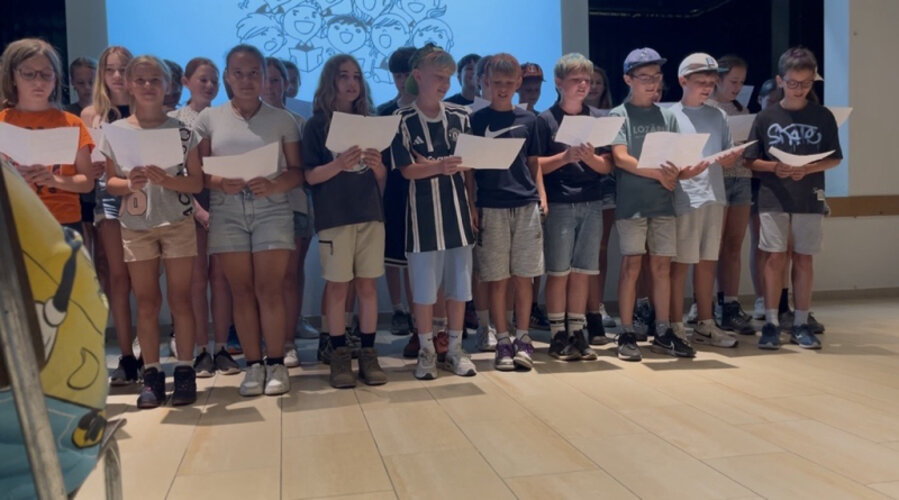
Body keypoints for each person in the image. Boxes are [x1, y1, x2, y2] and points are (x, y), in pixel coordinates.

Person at [194, 44, 302, 396]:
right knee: (240, 290)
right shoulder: (209, 118)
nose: (246, 80)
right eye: (238, 73)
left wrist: (273, 185)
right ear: (227, 76)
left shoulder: (282, 120)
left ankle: (276, 363)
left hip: (272, 208)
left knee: (270, 289)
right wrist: (219, 182)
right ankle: (253, 366)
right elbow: (199, 174)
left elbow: (297, 172)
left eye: (254, 73)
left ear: (264, 76)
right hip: (227, 210)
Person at [100, 55, 203, 408]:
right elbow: (110, 183)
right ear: (129, 85)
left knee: (180, 298)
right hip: (136, 225)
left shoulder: (183, 130)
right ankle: (152, 374)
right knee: (146, 301)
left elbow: (196, 182)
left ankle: (185, 370)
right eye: (141, 80)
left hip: (177, 222)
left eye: (155, 80)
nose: (148, 86)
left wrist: (168, 180)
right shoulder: (117, 132)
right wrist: (129, 182)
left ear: (167, 85)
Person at [609, 47, 708, 361]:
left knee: (662, 266)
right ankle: (626, 331)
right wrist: (659, 174)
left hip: (664, 203)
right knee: (631, 265)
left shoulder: (667, 116)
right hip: (632, 204)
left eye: (656, 77)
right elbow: (621, 158)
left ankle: (663, 330)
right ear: (628, 79)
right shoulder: (619, 114)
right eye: (645, 77)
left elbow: (676, 160)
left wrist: (689, 169)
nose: (653, 83)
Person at [744, 47, 842, 350]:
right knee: (774, 256)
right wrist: (775, 167)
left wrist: (808, 168)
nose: (799, 89)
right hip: (773, 196)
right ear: (780, 81)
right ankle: (772, 321)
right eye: (793, 83)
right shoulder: (766, 116)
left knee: (803, 257)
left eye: (806, 83)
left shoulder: (822, 115)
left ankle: (800, 322)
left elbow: (835, 158)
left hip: (808, 196)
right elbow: (750, 160)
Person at [390, 44, 477, 380]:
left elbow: (469, 165)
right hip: (422, 218)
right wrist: (439, 166)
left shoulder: (461, 116)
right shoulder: (401, 120)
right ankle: (426, 351)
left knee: (459, 288)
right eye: (438, 76)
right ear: (418, 75)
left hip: (457, 216)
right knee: (425, 292)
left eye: (448, 77)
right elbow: (407, 170)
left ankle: (454, 349)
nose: (444, 83)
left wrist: (436, 167)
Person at [304, 54, 389, 388]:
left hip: (370, 214)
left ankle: (368, 352)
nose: (352, 82)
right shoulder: (317, 125)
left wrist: (378, 167)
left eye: (356, 76)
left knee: (367, 286)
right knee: (339, 286)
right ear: (331, 81)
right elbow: (310, 176)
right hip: (335, 217)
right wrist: (338, 164)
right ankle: (339, 353)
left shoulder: (371, 123)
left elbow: (381, 182)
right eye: (343, 76)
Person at [468, 53, 544, 371]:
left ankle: (523, 338)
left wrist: (541, 196)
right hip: (491, 206)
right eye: (496, 82)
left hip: (525, 205)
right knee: (497, 279)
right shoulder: (475, 121)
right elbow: (469, 169)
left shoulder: (530, 120)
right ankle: (502, 340)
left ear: (517, 83)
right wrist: (472, 204)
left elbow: (534, 163)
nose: (502, 88)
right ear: (485, 82)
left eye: (508, 83)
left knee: (524, 277)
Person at [167, 57, 241, 377]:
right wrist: (198, 210)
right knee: (196, 281)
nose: (209, 86)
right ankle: (200, 351)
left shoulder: (224, 117)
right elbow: (174, 173)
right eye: (203, 80)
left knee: (221, 280)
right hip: (187, 208)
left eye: (214, 80)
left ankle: (221, 348)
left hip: (222, 205)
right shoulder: (173, 120)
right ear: (186, 82)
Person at [536, 53, 612, 361]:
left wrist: (590, 158)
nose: (583, 85)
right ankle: (557, 334)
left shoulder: (597, 119)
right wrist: (565, 157)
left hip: (592, 202)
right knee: (559, 271)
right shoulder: (546, 120)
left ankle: (578, 331)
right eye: (576, 80)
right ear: (558, 83)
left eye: (587, 80)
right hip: (560, 202)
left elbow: (607, 166)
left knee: (583, 271)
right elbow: (535, 165)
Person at [668, 53, 744, 348]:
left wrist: (730, 157)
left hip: (715, 195)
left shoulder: (718, 115)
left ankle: (705, 322)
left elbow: (726, 156)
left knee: (708, 261)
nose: (707, 88)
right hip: (685, 197)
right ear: (682, 81)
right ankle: (675, 325)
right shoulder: (671, 115)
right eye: (701, 82)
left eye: (711, 83)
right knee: (680, 263)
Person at [81, 46, 138, 385]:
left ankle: (147, 352)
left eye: (123, 68)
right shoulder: (92, 114)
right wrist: (91, 166)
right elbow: (82, 164)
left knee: (146, 277)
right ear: (102, 74)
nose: (117, 76)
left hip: (146, 195)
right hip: (108, 196)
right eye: (111, 69)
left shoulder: (147, 106)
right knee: (117, 276)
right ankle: (126, 356)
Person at [0, 39, 94, 234]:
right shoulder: (3, 122)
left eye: (46, 74)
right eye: (28, 74)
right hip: (13, 220)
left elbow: (87, 182)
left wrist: (53, 180)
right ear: (12, 77)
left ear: (56, 78)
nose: (39, 82)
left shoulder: (72, 123)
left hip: (63, 221)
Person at [261, 56, 315, 367]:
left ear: (286, 84)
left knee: (290, 276)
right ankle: (267, 339)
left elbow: (307, 170)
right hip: (254, 209)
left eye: (276, 80)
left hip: (294, 206)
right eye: (265, 80)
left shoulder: (298, 121)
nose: (270, 86)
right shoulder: (246, 122)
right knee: (265, 280)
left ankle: (288, 341)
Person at [707, 54, 756, 335]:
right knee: (713, 245)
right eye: (733, 81)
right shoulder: (708, 107)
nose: (737, 87)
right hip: (717, 178)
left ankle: (730, 303)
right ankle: (707, 303)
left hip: (742, 178)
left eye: (741, 82)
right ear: (718, 79)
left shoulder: (742, 108)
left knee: (734, 244)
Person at [377, 46, 417, 338]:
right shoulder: (384, 112)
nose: (402, 81)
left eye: (406, 75)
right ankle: (398, 309)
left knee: (416, 256)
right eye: (397, 76)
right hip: (392, 188)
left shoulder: (427, 109)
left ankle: (418, 313)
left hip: (422, 186)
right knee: (392, 254)